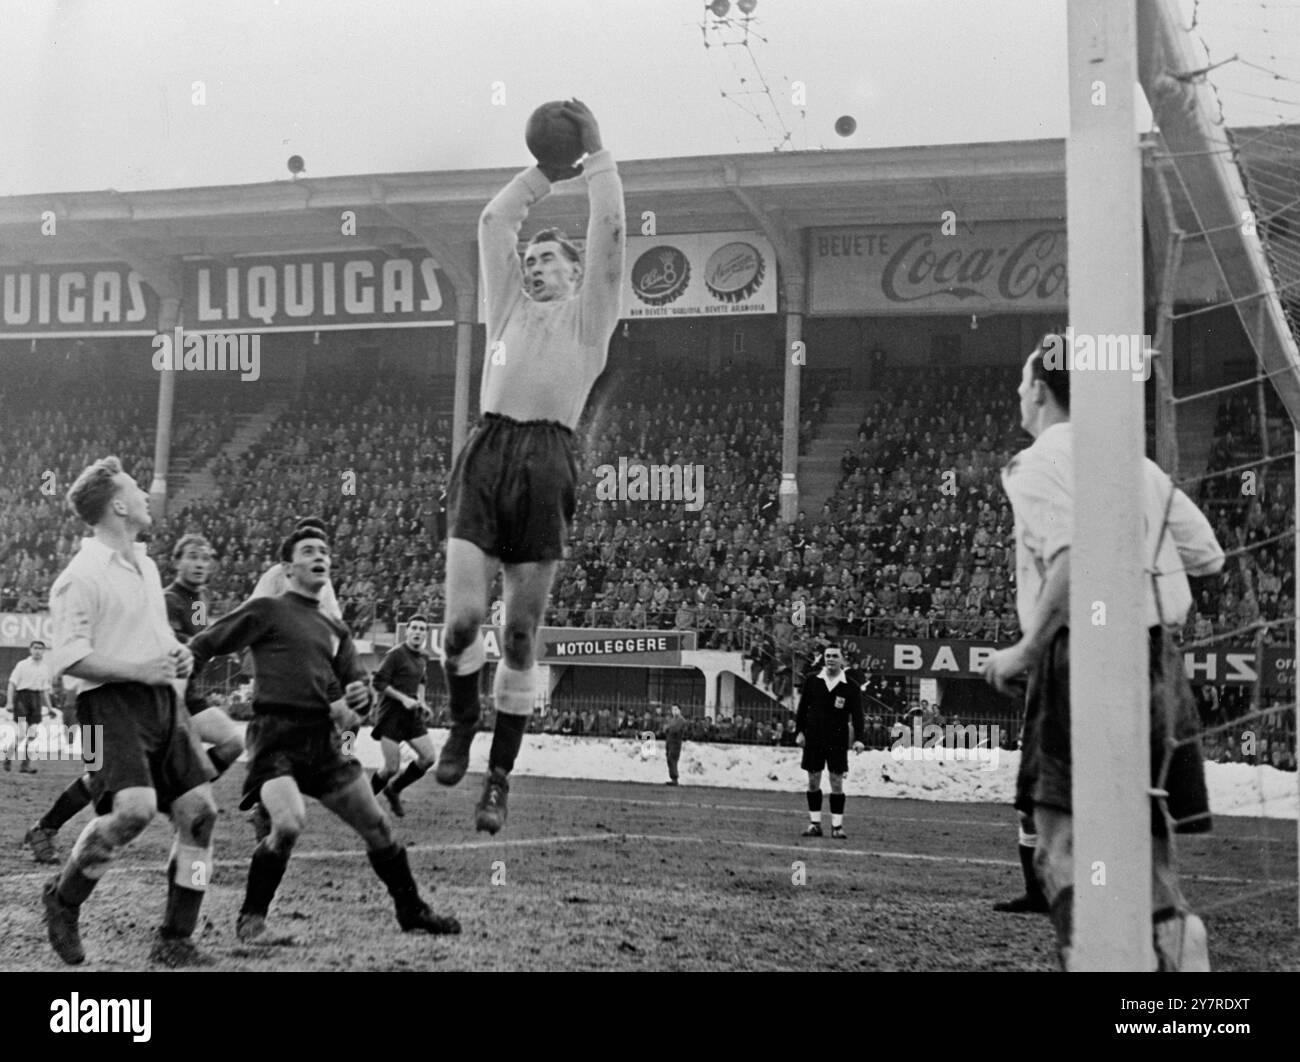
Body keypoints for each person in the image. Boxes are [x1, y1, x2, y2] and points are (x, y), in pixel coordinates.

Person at [983, 336, 1223, 971]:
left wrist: (1026, 650)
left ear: (1039, 389)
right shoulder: (1134, 464)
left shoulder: (1035, 463)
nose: (1017, 394)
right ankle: (1180, 960)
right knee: (1149, 856)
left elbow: (1070, 555)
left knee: (1058, 849)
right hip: (1155, 658)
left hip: (1079, 658)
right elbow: (1208, 554)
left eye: (1021, 384)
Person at [434, 98, 625, 835]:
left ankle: (500, 778)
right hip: (488, 449)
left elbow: (608, 229)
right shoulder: (507, 307)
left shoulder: (590, 319)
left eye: (552, 259)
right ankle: (458, 721)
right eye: (534, 259)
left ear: (578, 274)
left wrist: (598, 154)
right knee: (460, 626)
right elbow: (493, 223)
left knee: (518, 637)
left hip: (549, 459)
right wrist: (545, 174)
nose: (537, 265)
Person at [188, 524, 459, 943]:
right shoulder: (266, 610)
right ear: (288, 567)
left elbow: (359, 701)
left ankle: (411, 908)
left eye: (325, 551)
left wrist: (360, 698)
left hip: (323, 741)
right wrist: (181, 683)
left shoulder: (337, 630)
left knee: (378, 827)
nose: (320, 557)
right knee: (290, 823)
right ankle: (251, 920)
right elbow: (205, 642)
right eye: (309, 550)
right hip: (274, 738)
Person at [41, 456, 219, 967]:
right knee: (134, 812)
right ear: (118, 504)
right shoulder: (79, 575)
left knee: (201, 816)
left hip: (162, 702)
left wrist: (177, 650)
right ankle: (64, 898)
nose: (146, 494)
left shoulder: (146, 564)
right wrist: (141, 670)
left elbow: (158, 634)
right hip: (104, 705)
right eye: (137, 488)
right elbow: (68, 658)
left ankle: (176, 937)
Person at [25, 532, 247, 866]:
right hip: (139, 698)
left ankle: (170, 794)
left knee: (232, 741)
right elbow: (164, 647)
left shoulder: (199, 600)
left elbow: (196, 643)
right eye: (192, 556)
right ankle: (45, 828)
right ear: (175, 562)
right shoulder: (166, 598)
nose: (200, 563)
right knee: (100, 775)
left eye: (206, 557)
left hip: (184, 694)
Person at [370, 614, 437, 817]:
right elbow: (378, 683)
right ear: (407, 631)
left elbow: (422, 680)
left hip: (411, 716)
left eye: (421, 629)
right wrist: (403, 699)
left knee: (428, 758)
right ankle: (362, 803)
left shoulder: (423, 657)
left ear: (426, 633)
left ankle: (394, 790)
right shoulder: (396, 654)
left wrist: (422, 701)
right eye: (414, 628)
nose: (417, 632)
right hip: (391, 716)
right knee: (390, 768)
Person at [795, 644, 865, 839]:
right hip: (814, 738)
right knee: (813, 780)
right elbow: (802, 709)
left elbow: (858, 715)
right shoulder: (812, 681)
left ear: (842, 660)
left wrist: (859, 739)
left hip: (837, 740)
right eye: (828, 656)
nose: (831, 659)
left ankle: (837, 826)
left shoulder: (850, 686)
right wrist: (800, 731)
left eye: (835, 656)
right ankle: (815, 824)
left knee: (836, 782)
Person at [6, 639, 52, 773]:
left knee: (32, 734)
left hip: (36, 700)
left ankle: (25, 765)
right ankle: (7, 758)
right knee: (21, 733)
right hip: (22, 698)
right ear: (30, 650)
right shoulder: (22, 665)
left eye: (40, 648)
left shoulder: (45, 668)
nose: (37, 651)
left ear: (43, 651)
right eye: (35, 648)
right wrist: (9, 702)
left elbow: (44, 690)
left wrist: (49, 708)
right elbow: (12, 684)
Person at [664, 704, 687, 785]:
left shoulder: (681, 720)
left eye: (676, 709)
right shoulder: (672, 719)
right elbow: (666, 728)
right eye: (673, 709)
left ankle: (674, 778)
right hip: (670, 741)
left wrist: (668, 728)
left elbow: (674, 729)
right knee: (669, 759)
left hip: (675, 742)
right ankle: (673, 777)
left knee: (672, 759)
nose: (674, 711)